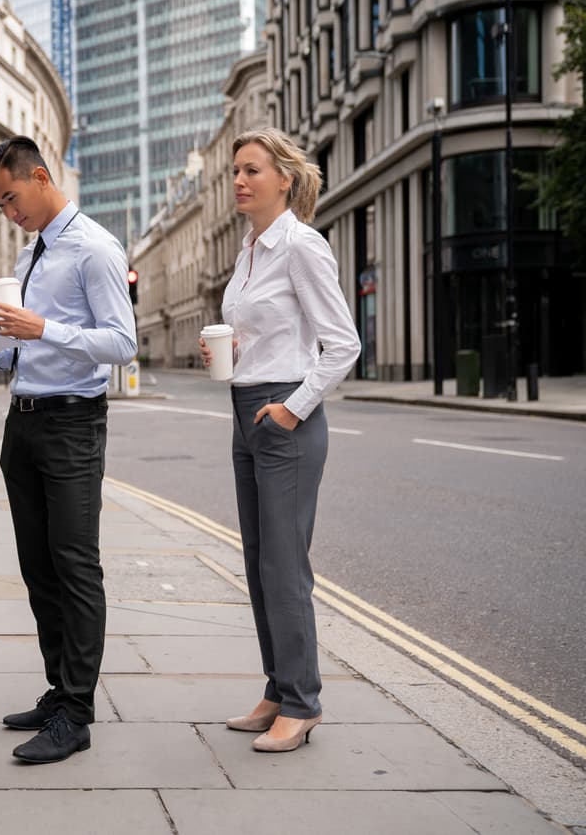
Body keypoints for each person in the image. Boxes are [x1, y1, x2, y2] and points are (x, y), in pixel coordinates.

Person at [0, 136, 136, 764]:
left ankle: (77, 714)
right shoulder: (32, 250)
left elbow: (121, 342)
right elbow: (27, 350)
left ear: (39, 175)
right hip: (23, 421)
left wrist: (41, 328)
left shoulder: (95, 248)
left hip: (72, 424)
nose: (8, 212)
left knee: (75, 564)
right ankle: (60, 690)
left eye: (10, 198)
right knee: (38, 567)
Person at [200, 127, 359, 753]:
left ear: (284, 178)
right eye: (234, 172)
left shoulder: (302, 245)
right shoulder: (249, 250)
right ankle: (277, 687)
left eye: (251, 170)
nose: (238, 181)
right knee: (259, 564)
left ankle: (303, 702)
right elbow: (260, 329)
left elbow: (342, 343)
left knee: (284, 565)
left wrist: (291, 410)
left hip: (284, 415)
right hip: (245, 409)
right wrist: (230, 350)